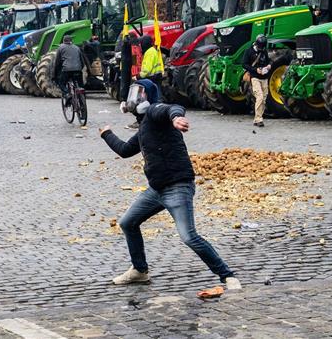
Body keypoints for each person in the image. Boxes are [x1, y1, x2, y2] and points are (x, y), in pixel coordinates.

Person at [99, 79, 241, 290]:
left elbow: (172, 108)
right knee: (128, 223)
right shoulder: (144, 126)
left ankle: (227, 276)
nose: (134, 98)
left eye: (140, 93)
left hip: (177, 186)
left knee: (189, 236)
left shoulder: (155, 111)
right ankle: (139, 271)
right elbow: (125, 150)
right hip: (156, 189)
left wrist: (176, 118)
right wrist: (106, 134)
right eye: (133, 93)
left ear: (149, 96)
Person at [243, 34, 272, 127]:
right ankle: (259, 119)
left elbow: (269, 61)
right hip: (255, 77)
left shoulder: (264, 51)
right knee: (259, 96)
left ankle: (257, 118)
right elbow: (244, 64)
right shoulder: (248, 51)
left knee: (263, 98)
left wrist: (269, 66)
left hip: (264, 77)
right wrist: (256, 70)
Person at [53, 35, 85, 102]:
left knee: (61, 83)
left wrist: (55, 75)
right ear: (71, 41)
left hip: (67, 70)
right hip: (78, 70)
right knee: (80, 86)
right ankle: (82, 99)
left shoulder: (61, 47)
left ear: (63, 41)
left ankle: (67, 94)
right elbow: (82, 62)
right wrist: (79, 69)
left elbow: (57, 63)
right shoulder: (77, 48)